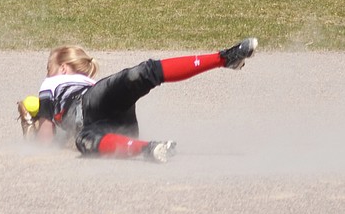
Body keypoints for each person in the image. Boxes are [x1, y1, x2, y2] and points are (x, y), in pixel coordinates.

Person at [17, 37, 258, 163]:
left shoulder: (51, 83)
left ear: (62, 68)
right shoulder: (91, 83)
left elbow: (47, 136)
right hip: (112, 117)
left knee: (87, 142)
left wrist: (31, 132)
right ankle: (223, 58)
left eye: (48, 67)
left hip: (87, 107)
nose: (46, 73)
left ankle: (146, 149)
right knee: (143, 73)